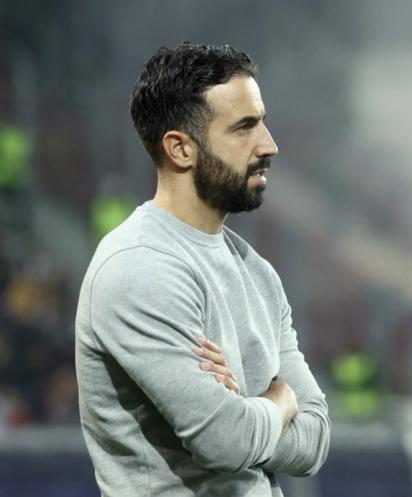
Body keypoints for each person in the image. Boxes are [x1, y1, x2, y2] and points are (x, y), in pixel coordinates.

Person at [75, 43, 330, 497]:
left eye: (262, 122)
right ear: (180, 149)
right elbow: (224, 441)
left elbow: (315, 441)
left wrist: (245, 411)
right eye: (244, 128)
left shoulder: (257, 272)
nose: (269, 145)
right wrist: (279, 400)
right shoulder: (138, 266)